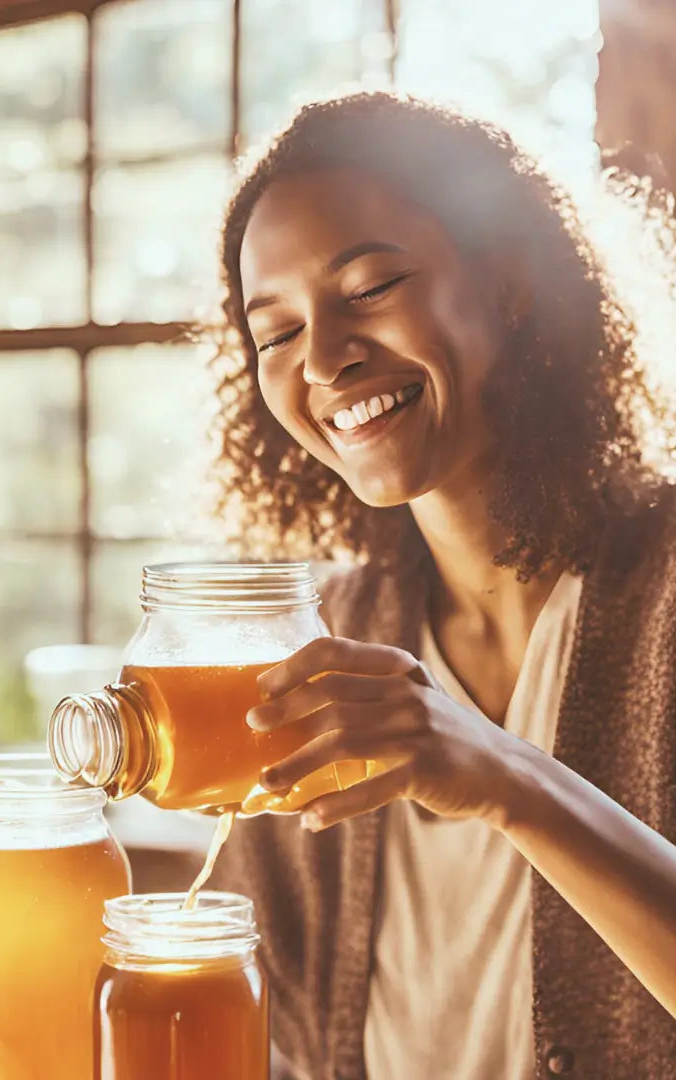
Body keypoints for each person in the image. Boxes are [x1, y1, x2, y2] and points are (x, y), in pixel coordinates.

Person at [208, 92, 676, 1080]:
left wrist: (509, 781)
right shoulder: (332, 630)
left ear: (509, 283)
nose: (326, 359)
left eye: (370, 285)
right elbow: (225, 969)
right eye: (277, 333)